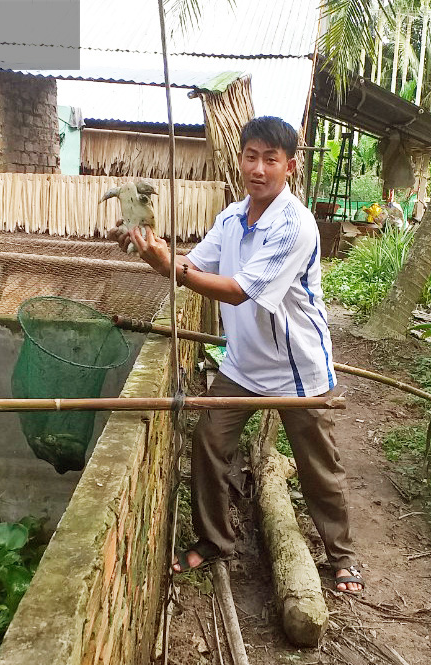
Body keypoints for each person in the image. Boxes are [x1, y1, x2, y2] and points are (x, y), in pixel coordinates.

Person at [110, 116, 363, 593]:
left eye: (271, 159)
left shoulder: (295, 226)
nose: (259, 168)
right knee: (208, 440)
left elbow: (237, 292)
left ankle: (342, 555)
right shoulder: (230, 219)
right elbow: (194, 265)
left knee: (318, 466)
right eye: (251, 157)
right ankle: (214, 541)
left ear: (290, 166)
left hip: (297, 369)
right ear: (240, 159)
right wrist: (154, 251)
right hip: (244, 363)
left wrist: (172, 267)